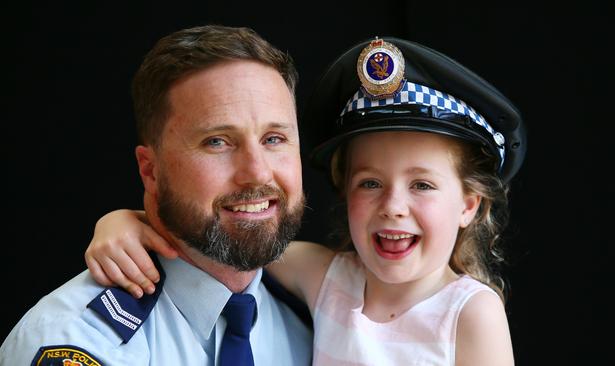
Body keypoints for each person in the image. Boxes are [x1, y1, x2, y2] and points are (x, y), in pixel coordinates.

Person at [84, 37, 527, 365]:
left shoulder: (470, 312)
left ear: (469, 203)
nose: (393, 205)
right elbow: (235, 236)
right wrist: (126, 220)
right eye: (370, 183)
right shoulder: (329, 279)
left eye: (422, 186)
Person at [0, 24, 313, 365]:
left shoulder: (318, 318)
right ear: (150, 170)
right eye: (217, 142)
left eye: (273, 139)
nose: (258, 173)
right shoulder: (78, 339)